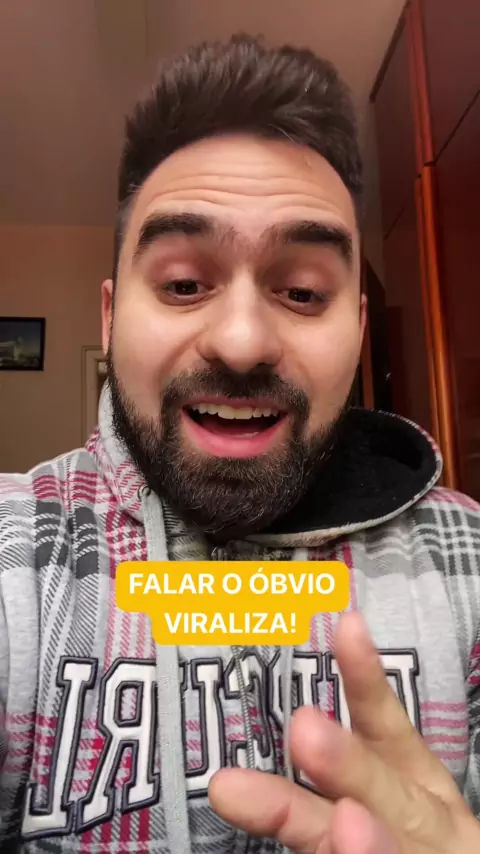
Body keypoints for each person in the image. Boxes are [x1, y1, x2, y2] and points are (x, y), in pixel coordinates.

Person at [0, 34, 479, 854]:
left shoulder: (467, 567)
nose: (243, 341)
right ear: (110, 318)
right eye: (185, 284)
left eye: (303, 292)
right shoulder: (19, 558)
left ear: (359, 329)